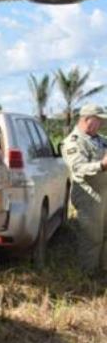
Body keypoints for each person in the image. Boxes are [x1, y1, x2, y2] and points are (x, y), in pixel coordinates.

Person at [61, 104, 107, 274]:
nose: (101, 124)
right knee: (92, 237)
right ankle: (89, 274)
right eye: (99, 120)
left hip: (104, 192)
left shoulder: (100, 139)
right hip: (89, 195)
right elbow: (79, 168)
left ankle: (104, 269)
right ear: (87, 119)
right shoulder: (73, 142)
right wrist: (102, 165)